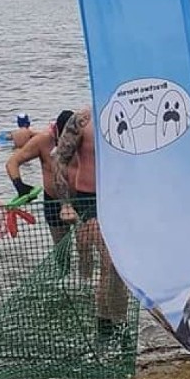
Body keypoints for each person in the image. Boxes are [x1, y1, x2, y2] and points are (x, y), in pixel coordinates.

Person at [53, 109, 128, 343]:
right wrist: (66, 203)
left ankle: (117, 322)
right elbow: (60, 159)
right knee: (110, 261)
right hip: (91, 199)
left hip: (123, 198)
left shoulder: (133, 112)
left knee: (121, 268)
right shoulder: (82, 120)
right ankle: (106, 327)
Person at [6, 109, 75, 243]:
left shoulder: (83, 138)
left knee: (85, 244)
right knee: (62, 247)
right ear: (56, 131)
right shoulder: (43, 140)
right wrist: (20, 186)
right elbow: (12, 163)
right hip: (53, 201)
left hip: (80, 199)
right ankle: (63, 264)